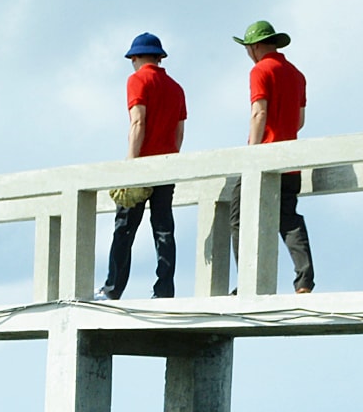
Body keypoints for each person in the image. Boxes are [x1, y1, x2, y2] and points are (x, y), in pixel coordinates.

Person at [205, 20, 315, 296]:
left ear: (254, 47)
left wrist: (251, 155)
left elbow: (259, 113)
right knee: (288, 219)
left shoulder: (260, 71)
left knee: (239, 219)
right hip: (290, 160)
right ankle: (304, 280)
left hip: (263, 158)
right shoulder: (297, 74)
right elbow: (299, 121)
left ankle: (249, 284)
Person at [100, 33, 185, 301]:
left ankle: (113, 289)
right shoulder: (176, 87)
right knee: (163, 229)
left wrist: (131, 164)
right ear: (159, 57)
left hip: (142, 163)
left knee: (124, 228)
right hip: (166, 164)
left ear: (134, 58)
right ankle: (164, 289)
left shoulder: (137, 80)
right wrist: (170, 158)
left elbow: (138, 122)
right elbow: (179, 131)